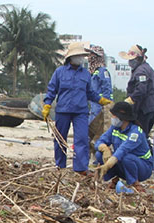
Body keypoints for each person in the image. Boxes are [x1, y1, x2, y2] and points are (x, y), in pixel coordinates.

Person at [42, 42, 112, 174]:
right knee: (60, 138)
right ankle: (60, 165)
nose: (81, 58)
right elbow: (52, 90)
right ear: (71, 57)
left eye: (82, 56)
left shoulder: (85, 74)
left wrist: (101, 100)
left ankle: (80, 168)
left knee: (81, 139)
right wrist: (47, 105)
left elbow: (90, 92)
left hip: (81, 112)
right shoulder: (60, 72)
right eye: (78, 56)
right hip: (63, 110)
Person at [95, 102, 152, 193]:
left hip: (142, 167)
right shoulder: (115, 128)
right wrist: (104, 148)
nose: (112, 118)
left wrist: (108, 165)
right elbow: (99, 141)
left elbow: (123, 150)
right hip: (123, 163)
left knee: (126, 157)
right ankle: (114, 180)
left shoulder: (135, 132)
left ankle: (135, 183)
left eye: (114, 116)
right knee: (99, 154)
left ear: (122, 118)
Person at [118, 44, 154, 137]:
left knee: (139, 135)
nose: (130, 62)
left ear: (137, 59)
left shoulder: (141, 71)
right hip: (153, 107)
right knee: (143, 134)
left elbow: (141, 90)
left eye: (131, 60)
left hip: (145, 109)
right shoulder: (147, 68)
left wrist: (130, 101)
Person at [87, 45, 113, 146]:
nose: (89, 57)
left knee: (98, 131)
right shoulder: (92, 72)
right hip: (93, 107)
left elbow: (107, 89)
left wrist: (106, 105)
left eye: (91, 54)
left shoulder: (103, 72)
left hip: (100, 107)